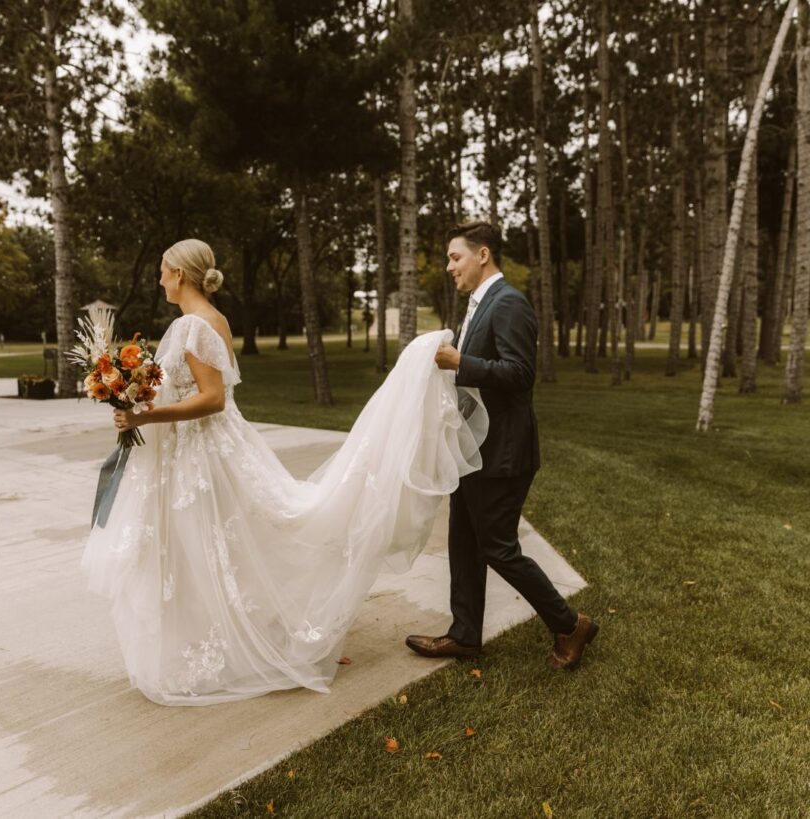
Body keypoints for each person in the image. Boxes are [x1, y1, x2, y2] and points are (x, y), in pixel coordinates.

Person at [81, 238, 487, 705]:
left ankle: (220, 648)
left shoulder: (191, 327)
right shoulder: (213, 319)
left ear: (179, 274)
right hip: (210, 448)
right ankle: (212, 640)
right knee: (221, 548)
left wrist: (142, 416)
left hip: (200, 453)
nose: (158, 279)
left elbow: (212, 399)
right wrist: (138, 401)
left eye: (162, 270)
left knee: (207, 548)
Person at [406, 222, 598, 670]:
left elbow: (520, 374)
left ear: (483, 254)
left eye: (455, 257)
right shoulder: (479, 304)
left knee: (497, 546)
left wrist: (461, 362)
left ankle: (571, 625)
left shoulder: (509, 302)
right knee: (463, 541)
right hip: (473, 449)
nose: (449, 267)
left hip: (503, 452)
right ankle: (465, 634)